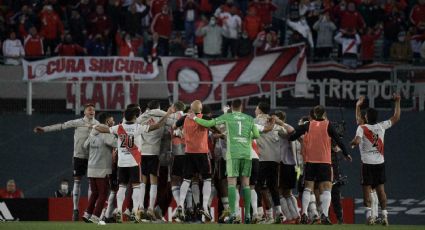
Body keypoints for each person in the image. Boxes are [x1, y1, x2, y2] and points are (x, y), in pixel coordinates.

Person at [95, 105, 175, 223]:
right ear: (135, 116)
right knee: (136, 186)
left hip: (121, 163)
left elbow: (104, 129)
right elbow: (157, 126)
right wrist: (167, 114)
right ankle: (135, 212)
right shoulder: (138, 127)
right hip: (134, 162)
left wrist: (94, 126)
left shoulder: (119, 127)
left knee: (122, 187)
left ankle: (118, 210)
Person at [188, 99, 260, 224]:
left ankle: (233, 214)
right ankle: (248, 215)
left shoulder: (227, 117)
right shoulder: (249, 118)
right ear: (241, 106)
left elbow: (208, 122)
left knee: (231, 184)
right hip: (246, 154)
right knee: (246, 185)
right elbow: (257, 135)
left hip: (233, 154)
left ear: (231, 107)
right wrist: (245, 137)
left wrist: (194, 118)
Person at [34, 103, 99, 221]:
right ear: (84, 112)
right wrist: (44, 129)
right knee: (77, 182)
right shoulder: (78, 122)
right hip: (79, 156)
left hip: (92, 157)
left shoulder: (98, 125)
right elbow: (61, 126)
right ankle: (75, 209)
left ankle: (90, 211)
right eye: (89, 109)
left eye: (93, 110)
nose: (91, 111)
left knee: (92, 183)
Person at [289, 105, 352, 225]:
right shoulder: (328, 125)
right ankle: (324, 215)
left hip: (311, 162)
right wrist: (346, 153)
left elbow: (294, 134)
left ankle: (304, 214)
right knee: (326, 189)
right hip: (324, 162)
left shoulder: (308, 125)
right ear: (324, 114)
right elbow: (338, 140)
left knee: (308, 188)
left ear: (314, 114)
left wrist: (291, 137)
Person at [351, 94, 401, 226]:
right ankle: (384, 216)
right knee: (381, 191)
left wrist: (353, 143)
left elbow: (357, 139)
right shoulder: (381, 126)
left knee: (367, 191)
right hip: (379, 164)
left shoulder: (362, 128)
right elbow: (396, 117)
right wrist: (397, 102)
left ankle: (369, 217)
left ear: (366, 117)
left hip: (367, 164)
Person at [172, 100, 214, 222]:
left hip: (189, 152)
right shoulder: (204, 117)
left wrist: (182, 131)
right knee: (207, 179)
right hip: (202, 153)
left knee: (186, 179)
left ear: (191, 108)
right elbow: (213, 127)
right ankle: (204, 206)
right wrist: (220, 134)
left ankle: (180, 205)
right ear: (201, 109)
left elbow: (174, 126)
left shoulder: (185, 118)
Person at [82, 112, 117, 225]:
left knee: (95, 193)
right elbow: (115, 143)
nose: (113, 122)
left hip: (91, 168)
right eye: (112, 120)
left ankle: (87, 214)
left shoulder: (93, 132)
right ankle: (96, 217)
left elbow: (85, 145)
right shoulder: (106, 131)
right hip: (102, 169)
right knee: (103, 193)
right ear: (107, 121)